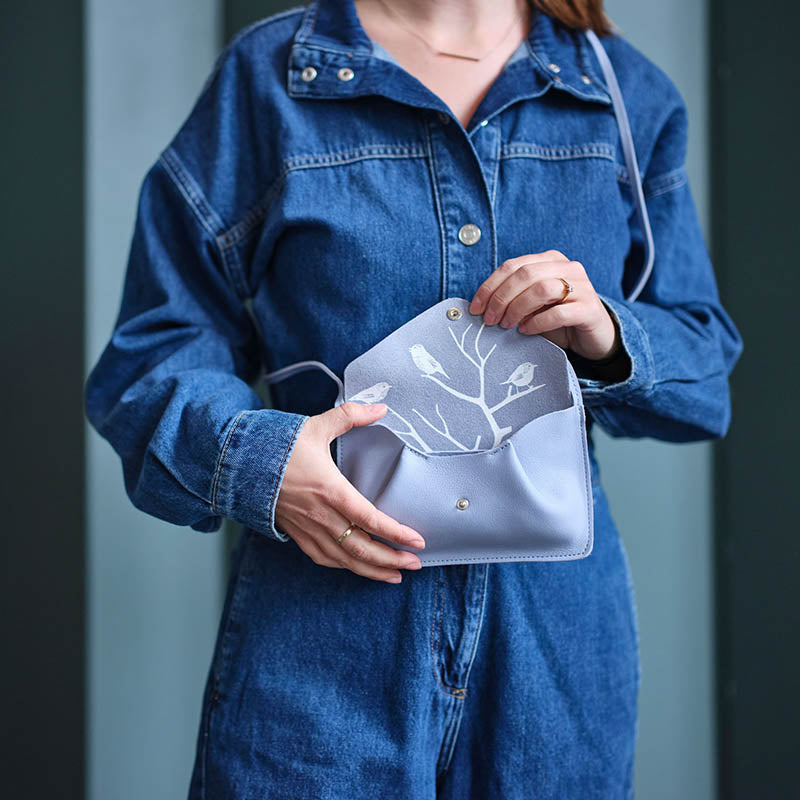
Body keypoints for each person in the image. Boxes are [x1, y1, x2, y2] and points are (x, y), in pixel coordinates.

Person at [84, 0, 743, 796]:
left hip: (555, 661)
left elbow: (704, 379)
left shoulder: (622, 96)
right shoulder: (269, 78)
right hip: (319, 644)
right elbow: (151, 352)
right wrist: (260, 462)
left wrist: (607, 333)